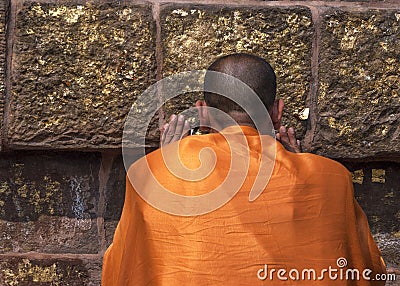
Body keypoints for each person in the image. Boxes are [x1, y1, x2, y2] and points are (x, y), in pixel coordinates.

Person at [102, 53, 386, 285]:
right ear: (276, 112)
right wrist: (310, 175)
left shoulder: (152, 173)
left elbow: (121, 272)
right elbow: (370, 273)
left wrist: (165, 165)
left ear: (202, 113)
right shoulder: (331, 178)